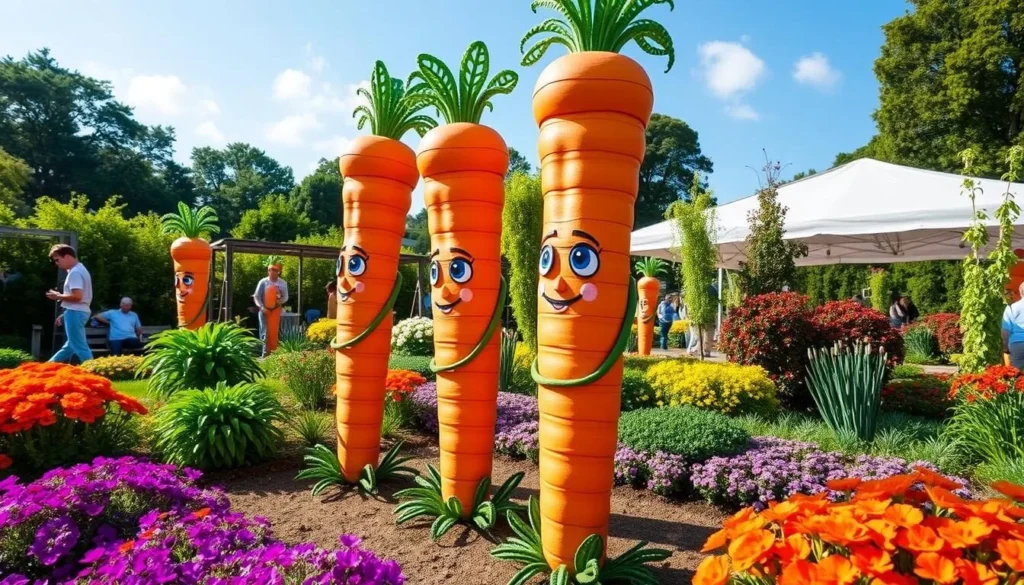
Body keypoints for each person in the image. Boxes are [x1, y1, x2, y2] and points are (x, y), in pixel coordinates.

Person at [46, 244, 94, 364]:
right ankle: (47, 368)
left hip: (75, 312)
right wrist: (65, 313)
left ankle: (93, 372)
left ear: (67, 256)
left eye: (57, 260)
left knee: (80, 346)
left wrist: (58, 296)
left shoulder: (75, 273)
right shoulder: (80, 269)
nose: (57, 263)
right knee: (71, 346)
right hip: (77, 311)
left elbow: (77, 297)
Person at [253, 262, 289, 356]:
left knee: (274, 331)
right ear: (268, 271)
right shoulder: (263, 282)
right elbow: (256, 296)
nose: (272, 272)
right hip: (264, 310)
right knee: (264, 331)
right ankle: (264, 353)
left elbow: (285, 297)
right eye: (270, 270)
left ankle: (273, 353)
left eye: (275, 270)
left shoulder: (283, 283)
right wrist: (261, 307)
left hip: (275, 310)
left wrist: (278, 302)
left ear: (279, 272)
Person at [1003, 282, 1024, 370]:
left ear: (1020, 292)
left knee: (1017, 374)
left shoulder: (1011, 308)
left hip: (1017, 344)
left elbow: (1005, 331)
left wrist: (1005, 347)